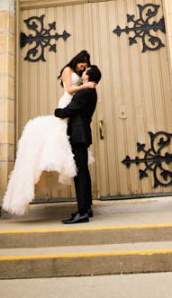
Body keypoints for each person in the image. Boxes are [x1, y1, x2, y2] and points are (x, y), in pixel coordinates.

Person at [1, 50, 95, 216]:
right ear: (78, 60)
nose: (83, 68)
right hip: (67, 102)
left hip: (72, 110)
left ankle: (84, 209)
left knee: (75, 160)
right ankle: (84, 208)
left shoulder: (86, 89)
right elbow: (70, 89)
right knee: (57, 134)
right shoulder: (68, 70)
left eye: (86, 67)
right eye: (82, 64)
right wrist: (86, 85)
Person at [54, 64, 102, 224]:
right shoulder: (91, 92)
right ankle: (86, 208)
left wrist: (57, 112)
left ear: (89, 76)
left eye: (85, 71)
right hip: (82, 134)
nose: (83, 72)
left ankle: (82, 212)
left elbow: (69, 110)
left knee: (80, 173)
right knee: (83, 172)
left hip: (77, 135)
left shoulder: (85, 92)